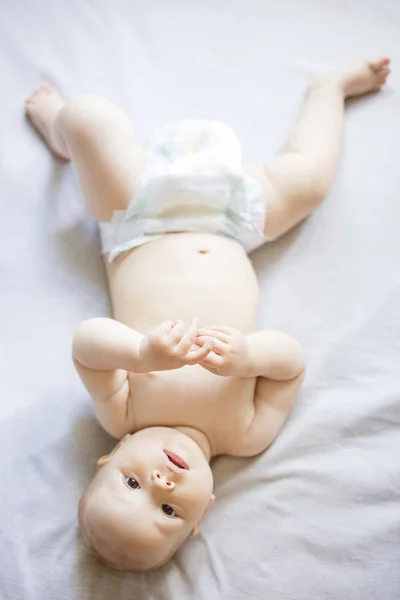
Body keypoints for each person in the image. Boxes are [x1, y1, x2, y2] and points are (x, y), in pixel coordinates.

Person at [25, 57, 391, 571]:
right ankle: (326, 91)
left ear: (109, 457)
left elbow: (86, 346)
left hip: (139, 221)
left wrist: (141, 351)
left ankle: (60, 131)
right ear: (201, 517)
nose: (160, 482)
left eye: (131, 482)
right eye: (169, 509)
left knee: (89, 118)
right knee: (308, 181)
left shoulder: (124, 415)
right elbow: (291, 365)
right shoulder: (244, 435)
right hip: (232, 225)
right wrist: (248, 356)